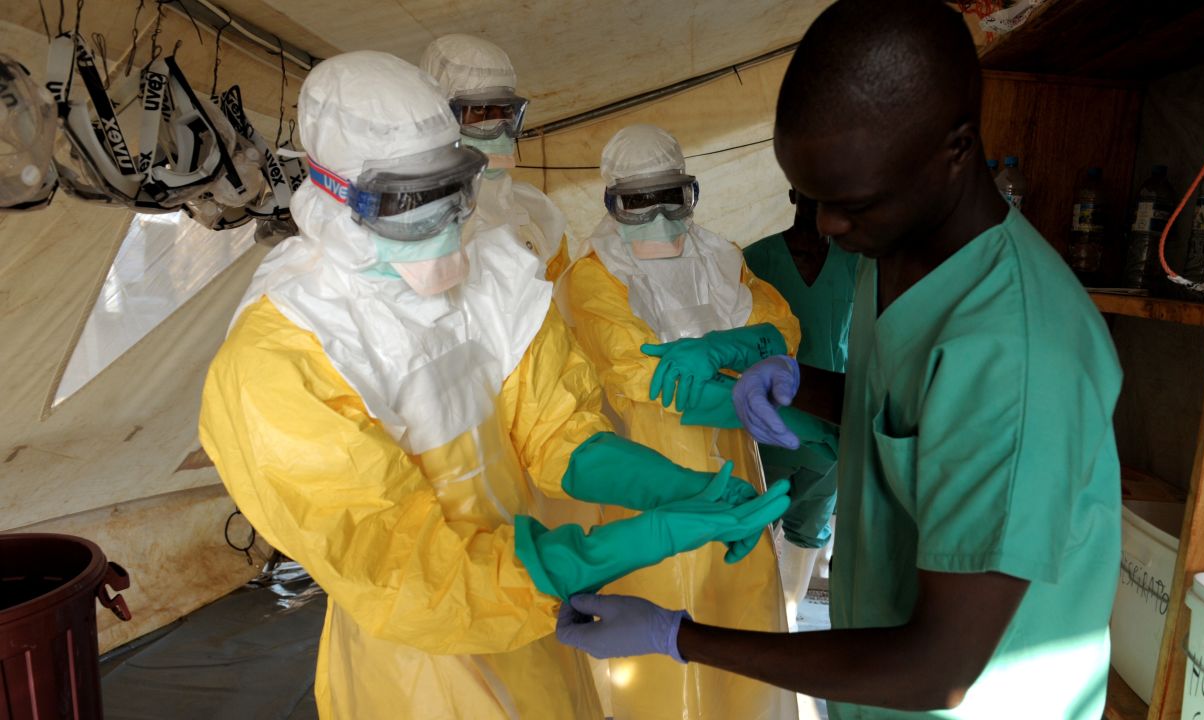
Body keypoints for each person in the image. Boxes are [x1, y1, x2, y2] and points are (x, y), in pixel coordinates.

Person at [556, 3, 1123, 719]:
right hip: (872, 680)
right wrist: (804, 384)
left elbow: (935, 671)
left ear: (956, 149)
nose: (826, 226)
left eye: (848, 202)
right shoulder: (895, 249)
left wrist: (680, 637)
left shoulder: (1020, 357)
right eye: (810, 197)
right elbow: (919, 412)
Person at [198, 51, 790, 720]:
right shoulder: (283, 356)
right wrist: (619, 546)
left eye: (454, 192)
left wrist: (684, 489)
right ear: (335, 194)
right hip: (417, 656)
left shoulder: (491, 275)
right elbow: (404, 573)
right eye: (412, 205)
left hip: (531, 614)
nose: (450, 226)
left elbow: (560, 434)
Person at [559, 123, 803, 720]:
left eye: (673, 196)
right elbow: (641, 377)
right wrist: (750, 381)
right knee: (657, 628)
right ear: (611, 202)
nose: (660, 217)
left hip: (735, 459)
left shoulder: (721, 258)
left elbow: (783, 331)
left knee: (739, 611)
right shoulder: (592, 278)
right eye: (638, 202)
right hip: (646, 475)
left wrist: (754, 352)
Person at [742, 189, 857, 621]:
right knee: (750, 526)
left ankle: (787, 621)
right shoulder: (754, 262)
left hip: (829, 429)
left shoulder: (857, 265)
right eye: (809, 189)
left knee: (809, 532)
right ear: (791, 193)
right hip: (767, 428)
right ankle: (752, 622)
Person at [421, 34, 572, 281]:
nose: (499, 128)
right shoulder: (422, 222)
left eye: (506, 112)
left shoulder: (536, 211)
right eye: (479, 112)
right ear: (441, 118)